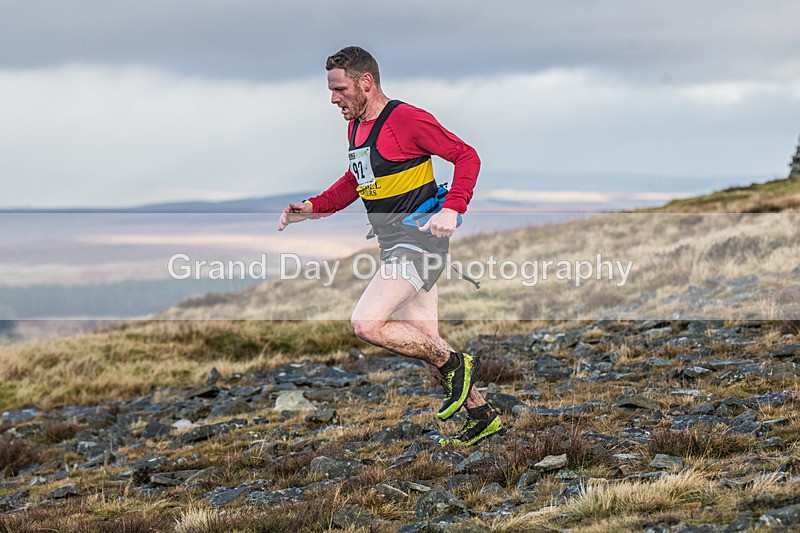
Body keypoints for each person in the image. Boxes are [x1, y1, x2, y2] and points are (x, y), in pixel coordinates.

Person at [278, 46, 502, 446]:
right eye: (331, 90)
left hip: (419, 244)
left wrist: (453, 208)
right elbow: (355, 179)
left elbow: (466, 156)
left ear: (366, 82)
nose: (333, 99)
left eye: (340, 89)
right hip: (394, 244)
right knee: (425, 341)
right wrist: (312, 207)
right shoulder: (356, 127)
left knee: (366, 323)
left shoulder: (406, 119)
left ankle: (457, 363)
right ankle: (482, 415)